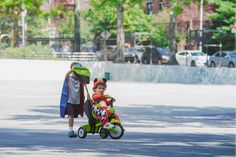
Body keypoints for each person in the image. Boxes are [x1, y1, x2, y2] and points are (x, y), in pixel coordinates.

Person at [60, 62, 85, 138]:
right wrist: (72, 70)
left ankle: (71, 130)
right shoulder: (69, 79)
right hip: (70, 101)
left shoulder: (80, 80)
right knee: (71, 115)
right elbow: (66, 75)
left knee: (74, 115)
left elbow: (86, 82)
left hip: (77, 101)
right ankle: (70, 130)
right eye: (75, 72)